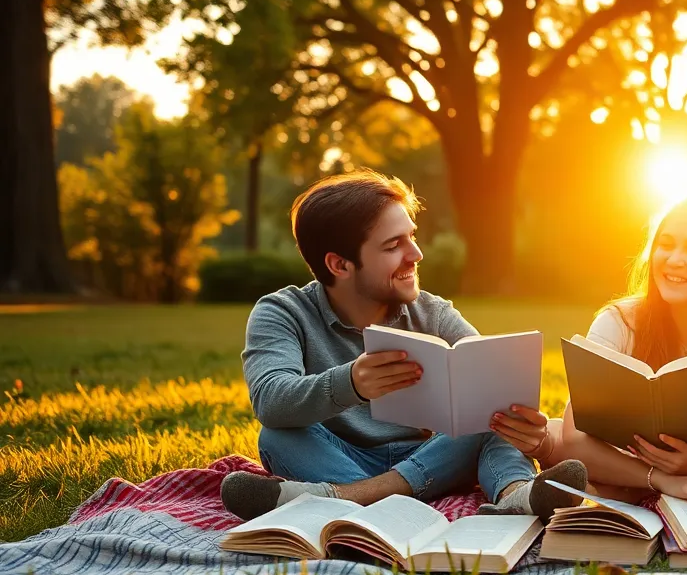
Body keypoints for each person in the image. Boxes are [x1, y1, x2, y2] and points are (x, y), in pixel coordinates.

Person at [219, 169, 587, 521]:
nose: (415, 254)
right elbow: (270, 398)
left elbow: (490, 379)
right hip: (338, 455)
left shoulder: (433, 312)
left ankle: (514, 495)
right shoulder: (282, 312)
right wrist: (352, 383)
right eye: (394, 245)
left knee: (490, 412)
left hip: (431, 454)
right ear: (339, 265)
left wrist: (529, 432)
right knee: (277, 433)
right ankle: (386, 497)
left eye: (411, 237)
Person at [488, 189, 687, 509]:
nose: (674, 259)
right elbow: (575, 436)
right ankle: (571, 483)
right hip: (617, 457)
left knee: (568, 452)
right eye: (665, 244)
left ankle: (589, 485)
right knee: (559, 437)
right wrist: (661, 478)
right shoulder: (619, 321)